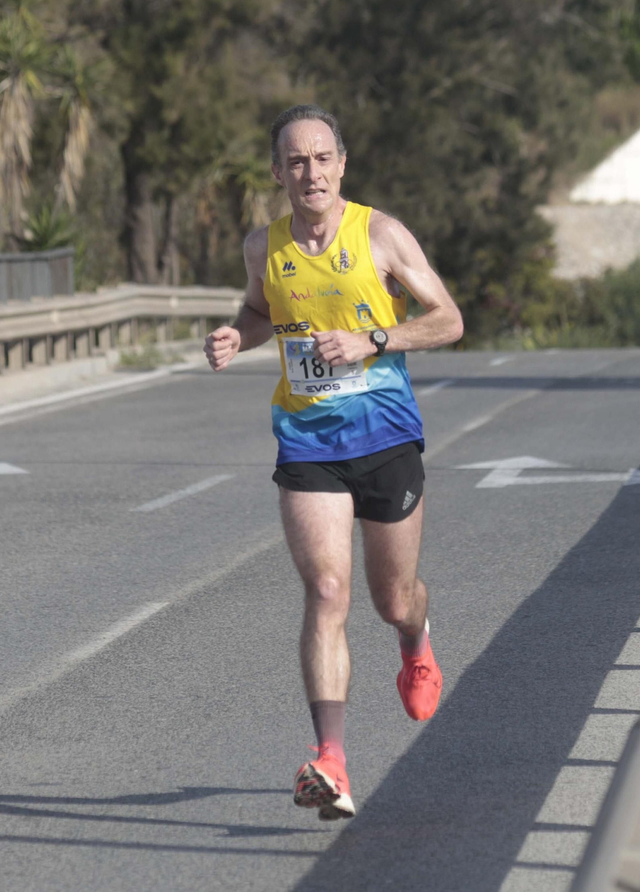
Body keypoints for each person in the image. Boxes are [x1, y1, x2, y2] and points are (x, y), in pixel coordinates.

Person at [203, 104, 463, 821]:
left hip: (385, 438)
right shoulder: (266, 246)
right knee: (325, 590)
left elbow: (449, 319)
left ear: (341, 165)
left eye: (322, 158)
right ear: (279, 172)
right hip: (308, 440)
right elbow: (262, 312)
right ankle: (333, 761)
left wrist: (373, 338)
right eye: (295, 161)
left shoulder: (380, 235)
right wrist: (236, 335)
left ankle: (415, 639)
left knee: (391, 599)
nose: (310, 172)